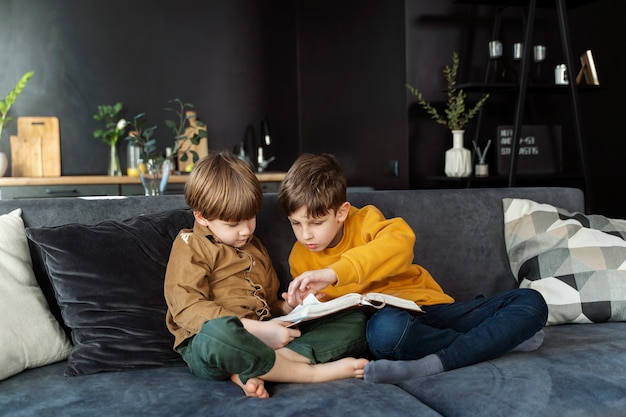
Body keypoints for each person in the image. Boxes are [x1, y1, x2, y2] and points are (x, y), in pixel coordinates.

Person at [277, 153, 548, 384]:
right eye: (296, 224)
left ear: (341, 212)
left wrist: (333, 273)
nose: (305, 235)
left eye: (315, 223)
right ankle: (498, 340)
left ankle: (445, 358)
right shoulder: (299, 258)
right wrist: (300, 307)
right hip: (390, 326)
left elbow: (400, 246)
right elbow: (332, 316)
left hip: (430, 309)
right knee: (384, 334)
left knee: (531, 302)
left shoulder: (368, 219)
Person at [164, 151, 368, 398]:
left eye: (251, 218)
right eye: (233, 224)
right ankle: (312, 373)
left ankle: (258, 367)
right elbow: (187, 309)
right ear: (202, 216)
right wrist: (257, 331)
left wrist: (289, 307)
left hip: (267, 336)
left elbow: (270, 305)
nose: (245, 230)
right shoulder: (190, 244)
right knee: (216, 333)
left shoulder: (255, 247)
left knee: (354, 318)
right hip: (214, 343)